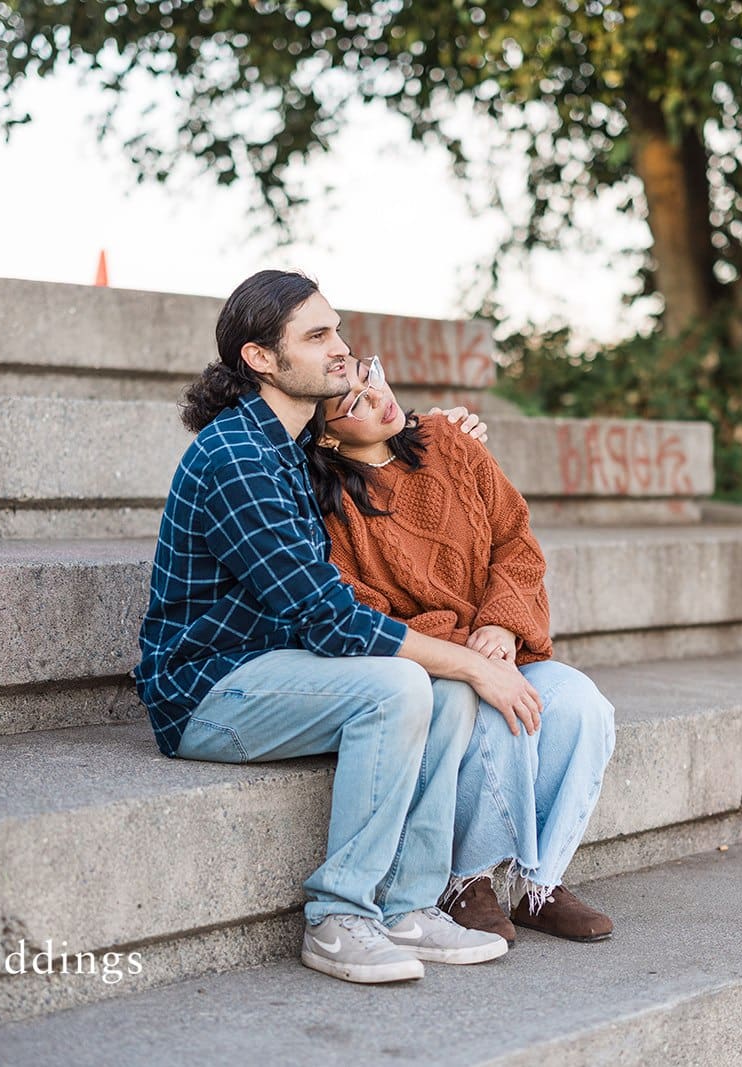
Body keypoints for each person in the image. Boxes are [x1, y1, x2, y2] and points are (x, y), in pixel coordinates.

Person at [135, 269, 545, 985]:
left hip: (277, 674)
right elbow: (327, 616)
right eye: (318, 336)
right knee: (402, 685)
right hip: (206, 692)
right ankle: (339, 915)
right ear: (261, 357)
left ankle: (409, 905)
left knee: (441, 690)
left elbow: (378, 449)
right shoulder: (237, 456)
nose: (341, 350)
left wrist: (438, 426)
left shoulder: (291, 446)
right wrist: (476, 661)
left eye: (338, 331)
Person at [308, 353, 618, 944]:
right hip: (429, 660)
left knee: (582, 706)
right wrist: (469, 654)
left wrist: (502, 627)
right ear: (326, 434)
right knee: (495, 711)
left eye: (371, 377)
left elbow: (517, 542)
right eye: (353, 403)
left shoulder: (450, 440)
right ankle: (463, 879)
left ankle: (537, 883)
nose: (377, 398)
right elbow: (364, 612)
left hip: (501, 642)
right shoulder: (332, 507)